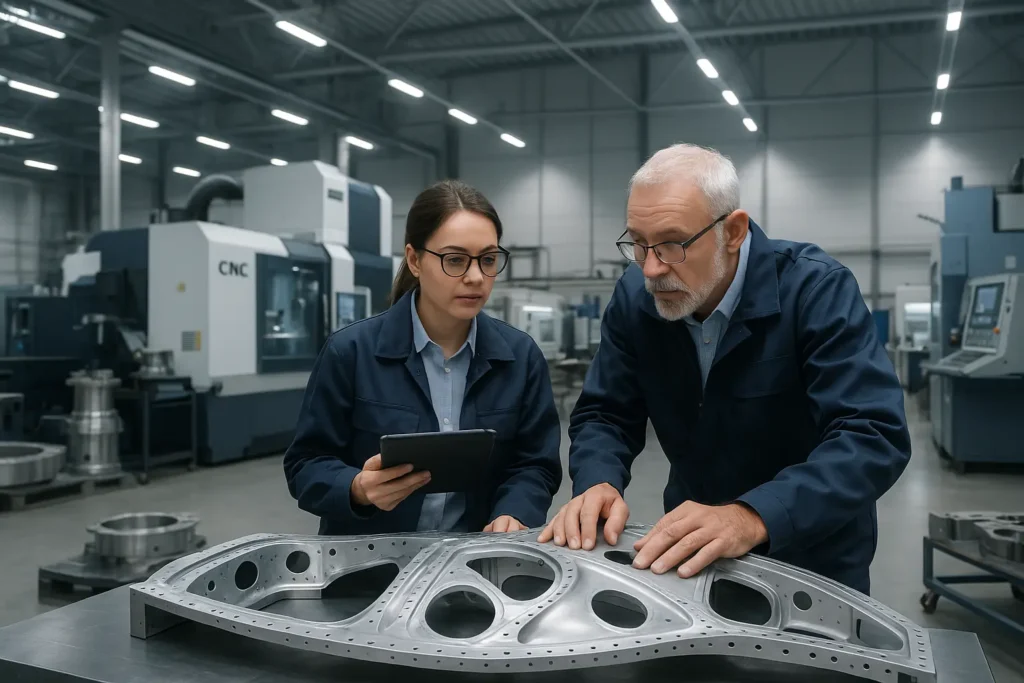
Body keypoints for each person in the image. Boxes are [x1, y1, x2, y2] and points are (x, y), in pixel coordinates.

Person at [538, 144, 911, 594]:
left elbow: (871, 434)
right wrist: (598, 481)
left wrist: (753, 515)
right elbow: (607, 413)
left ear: (732, 232)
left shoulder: (814, 291)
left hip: (812, 557)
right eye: (637, 243)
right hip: (691, 552)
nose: (651, 269)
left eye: (673, 244)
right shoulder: (637, 300)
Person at [284, 180, 562, 535]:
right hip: (368, 567)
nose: (476, 277)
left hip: (476, 562)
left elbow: (536, 464)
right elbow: (305, 464)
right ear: (414, 260)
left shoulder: (520, 359)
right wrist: (356, 488)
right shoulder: (350, 352)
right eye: (455, 260)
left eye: (488, 259)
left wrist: (515, 511)